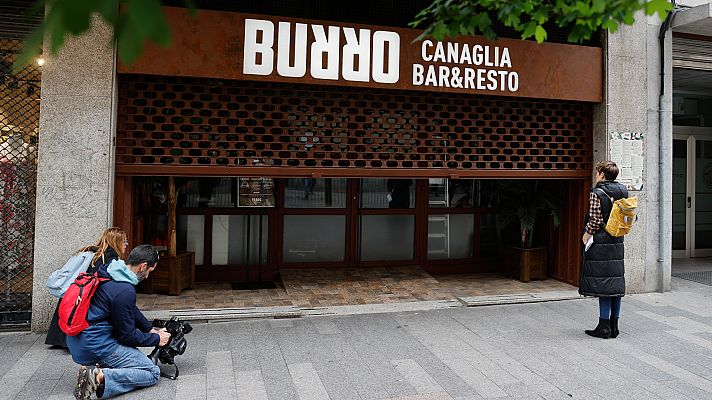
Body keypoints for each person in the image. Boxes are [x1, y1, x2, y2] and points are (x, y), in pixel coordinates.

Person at [68, 244, 170, 400]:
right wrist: (157, 339)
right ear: (143, 266)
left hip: (77, 340)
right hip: (95, 345)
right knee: (152, 372)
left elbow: (129, 308)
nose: (148, 275)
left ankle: (95, 367)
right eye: (150, 270)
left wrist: (149, 329)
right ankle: (98, 375)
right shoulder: (124, 290)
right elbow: (126, 337)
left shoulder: (110, 270)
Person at [45, 227, 128, 348]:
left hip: (75, 291)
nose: (126, 244)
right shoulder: (109, 257)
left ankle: (59, 340)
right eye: (124, 241)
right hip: (87, 295)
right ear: (116, 242)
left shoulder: (92, 252)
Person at [580, 160, 628, 339]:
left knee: (603, 284)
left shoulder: (597, 192)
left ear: (601, 174)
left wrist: (586, 235)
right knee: (615, 283)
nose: (595, 175)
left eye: (597, 172)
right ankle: (614, 326)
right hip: (617, 239)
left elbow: (595, 219)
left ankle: (603, 326)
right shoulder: (623, 190)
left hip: (600, 241)